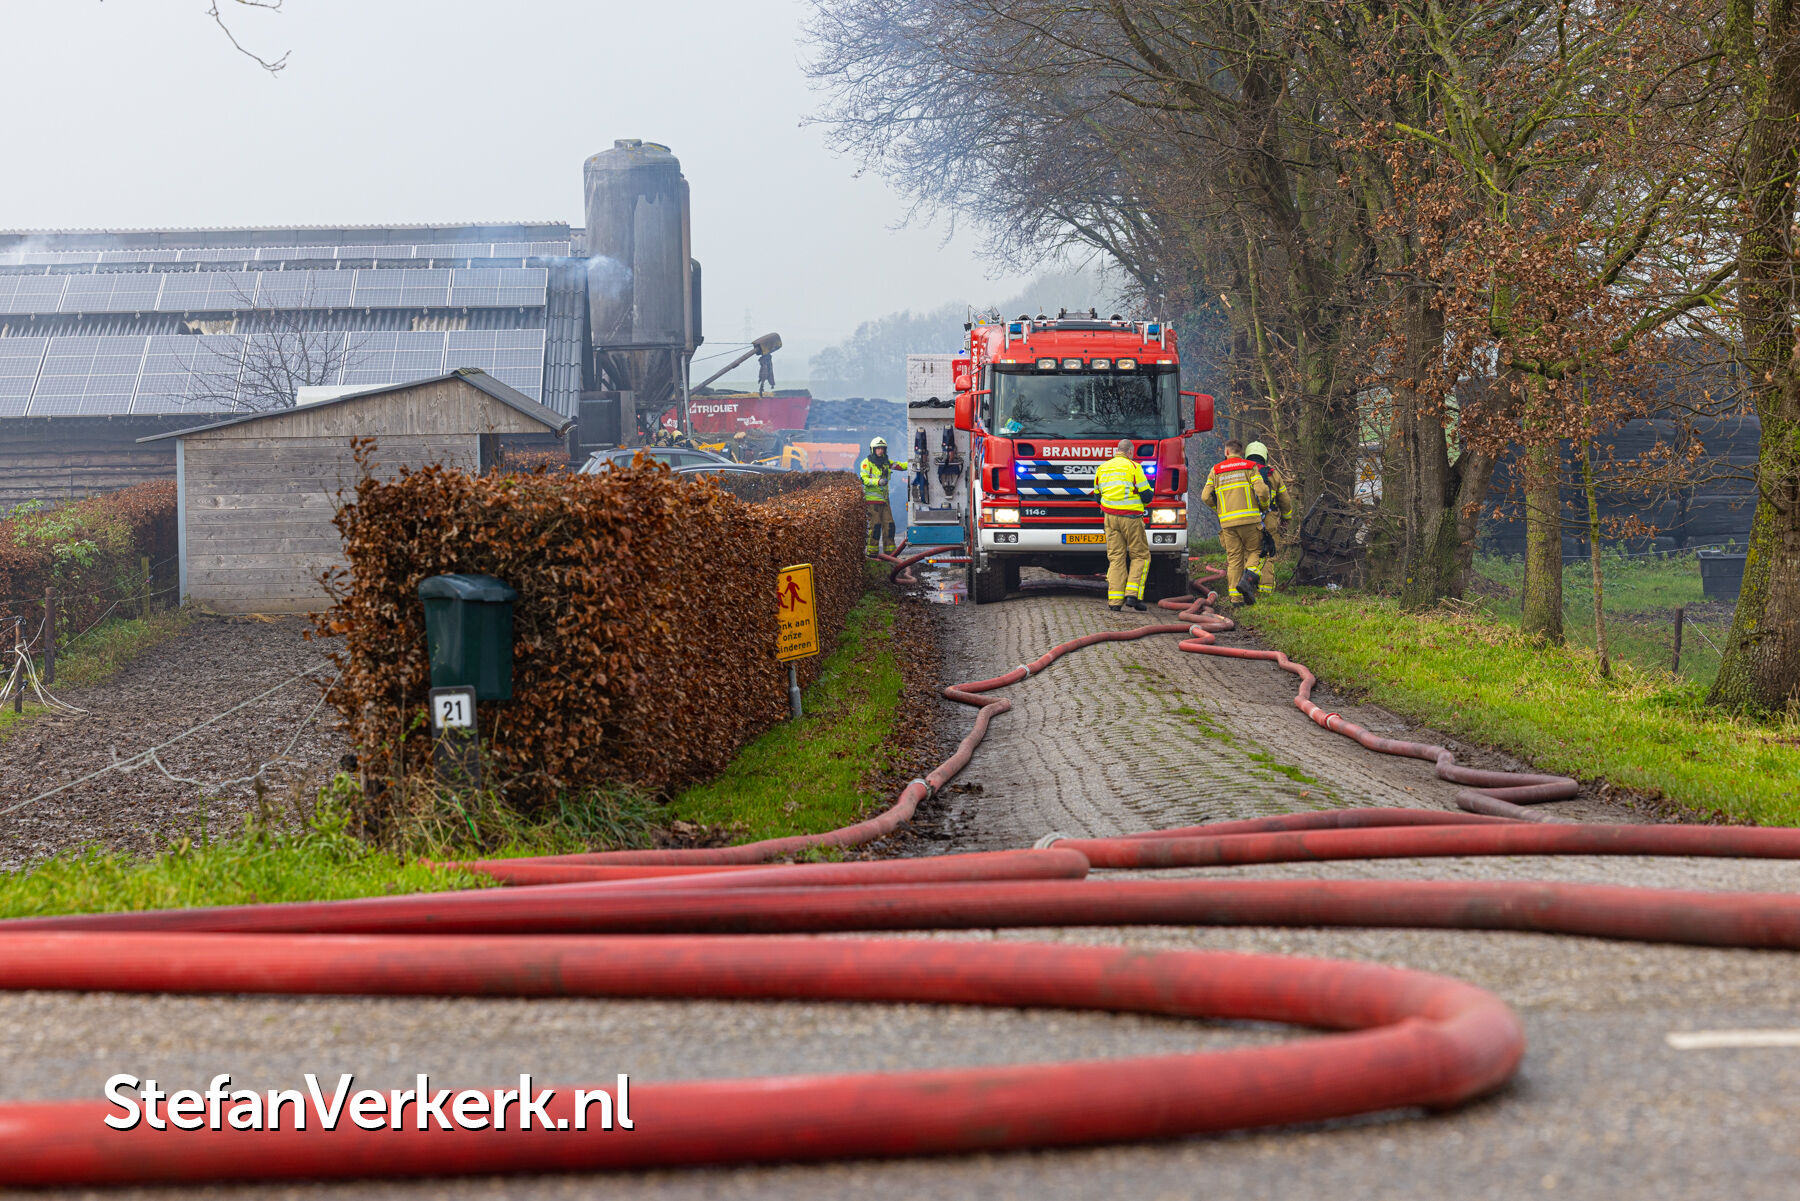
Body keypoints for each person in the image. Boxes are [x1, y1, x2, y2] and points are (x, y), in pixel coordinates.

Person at [1200, 439, 1272, 605]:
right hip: (1250, 520)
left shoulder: (1216, 470)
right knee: (1256, 551)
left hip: (1228, 523)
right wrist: (1264, 506)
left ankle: (1236, 599)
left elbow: (1205, 496)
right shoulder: (1249, 466)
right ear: (1242, 453)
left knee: (1234, 559)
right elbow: (1262, 491)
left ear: (1226, 452)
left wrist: (1219, 509)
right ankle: (1249, 577)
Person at [1094, 438, 1152, 612]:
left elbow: (1097, 496)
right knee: (1140, 555)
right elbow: (1146, 496)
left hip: (1110, 519)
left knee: (1116, 557)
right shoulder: (1134, 467)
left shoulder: (1102, 468)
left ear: (1117, 451)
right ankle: (1133, 595)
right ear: (1130, 452)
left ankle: (1114, 602)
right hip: (1131, 518)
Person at [1244, 440, 1294, 598]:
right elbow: (1285, 500)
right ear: (1264, 456)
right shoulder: (1273, 474)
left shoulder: (1243, 473)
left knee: (1248, 554)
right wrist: (1286, 518)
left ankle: (1246, 586)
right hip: (1269, 520)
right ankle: (1265, 593)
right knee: (1268, 554)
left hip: (1247, 520)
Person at [859, 437, 910, 556]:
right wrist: (878, 482)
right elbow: (864, 479)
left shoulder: (886, 462)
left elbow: (900, 466)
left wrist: (913, 462)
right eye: (878, 448)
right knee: (875, 526)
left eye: (882, 448)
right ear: (873, 450)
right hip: (872, 501)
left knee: (889, 525)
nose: (880, 451)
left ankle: (890, 552)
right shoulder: (866, 463)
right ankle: (872, 552)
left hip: (885, 501)